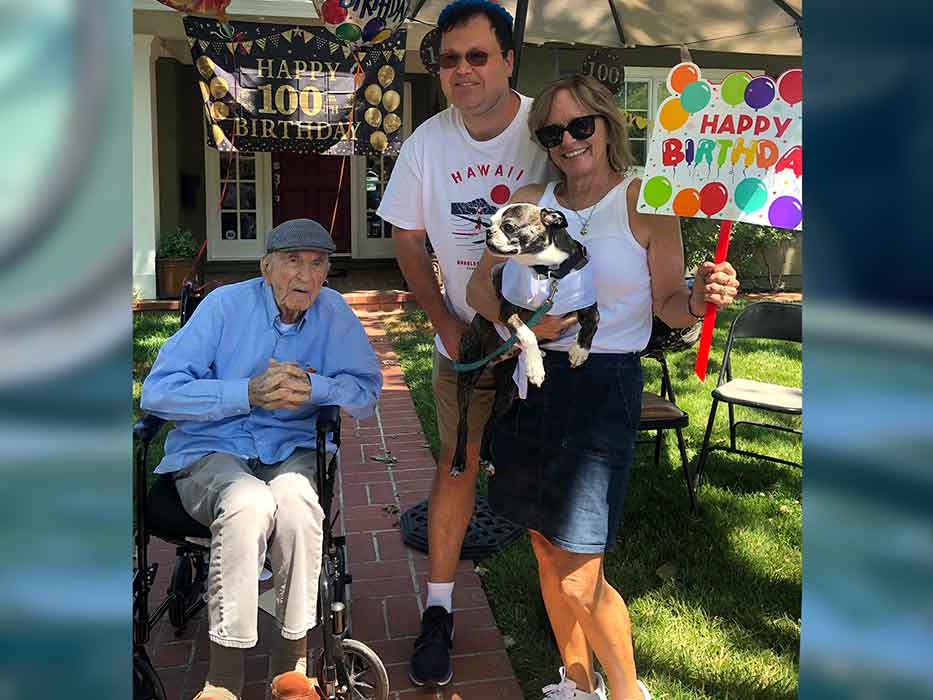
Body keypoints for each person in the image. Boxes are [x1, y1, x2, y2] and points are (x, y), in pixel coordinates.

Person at [466, 75, 740, 700]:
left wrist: (700, 298)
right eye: (552, 131)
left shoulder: (645, 201)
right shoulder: (532, 197)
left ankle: (626, 693)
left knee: (578, 573)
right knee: (542, 546)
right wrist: (521, 324)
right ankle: (576, 681)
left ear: (607, 124)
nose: (566, 141)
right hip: (531, 383)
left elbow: (670, 305)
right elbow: (480, 289)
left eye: (579, 126)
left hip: (603, 384)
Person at [375, 0, 557, 688]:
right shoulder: (428, 142)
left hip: (549, 331)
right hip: (470, 335)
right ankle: (440, 608)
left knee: (546, 477)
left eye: (477, 55)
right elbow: (405, 235)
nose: (462, 70)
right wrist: (444, 322)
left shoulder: (548, 127)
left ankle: (563, 600)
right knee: (457, 466)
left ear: (508, 59)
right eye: (448, 58)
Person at [140, 219, 383, 700]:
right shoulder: (224, 307)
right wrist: (246, 393)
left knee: (295, 506)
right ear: (266, 266)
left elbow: (367, 393)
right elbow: (157, 392)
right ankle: (224, 679)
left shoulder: (333, 314)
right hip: (212, 450)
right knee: (248, 503)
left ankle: (291, 668)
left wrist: (317, 388)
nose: (306, 275)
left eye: (318, 264)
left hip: (290, 450)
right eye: (293, 261)